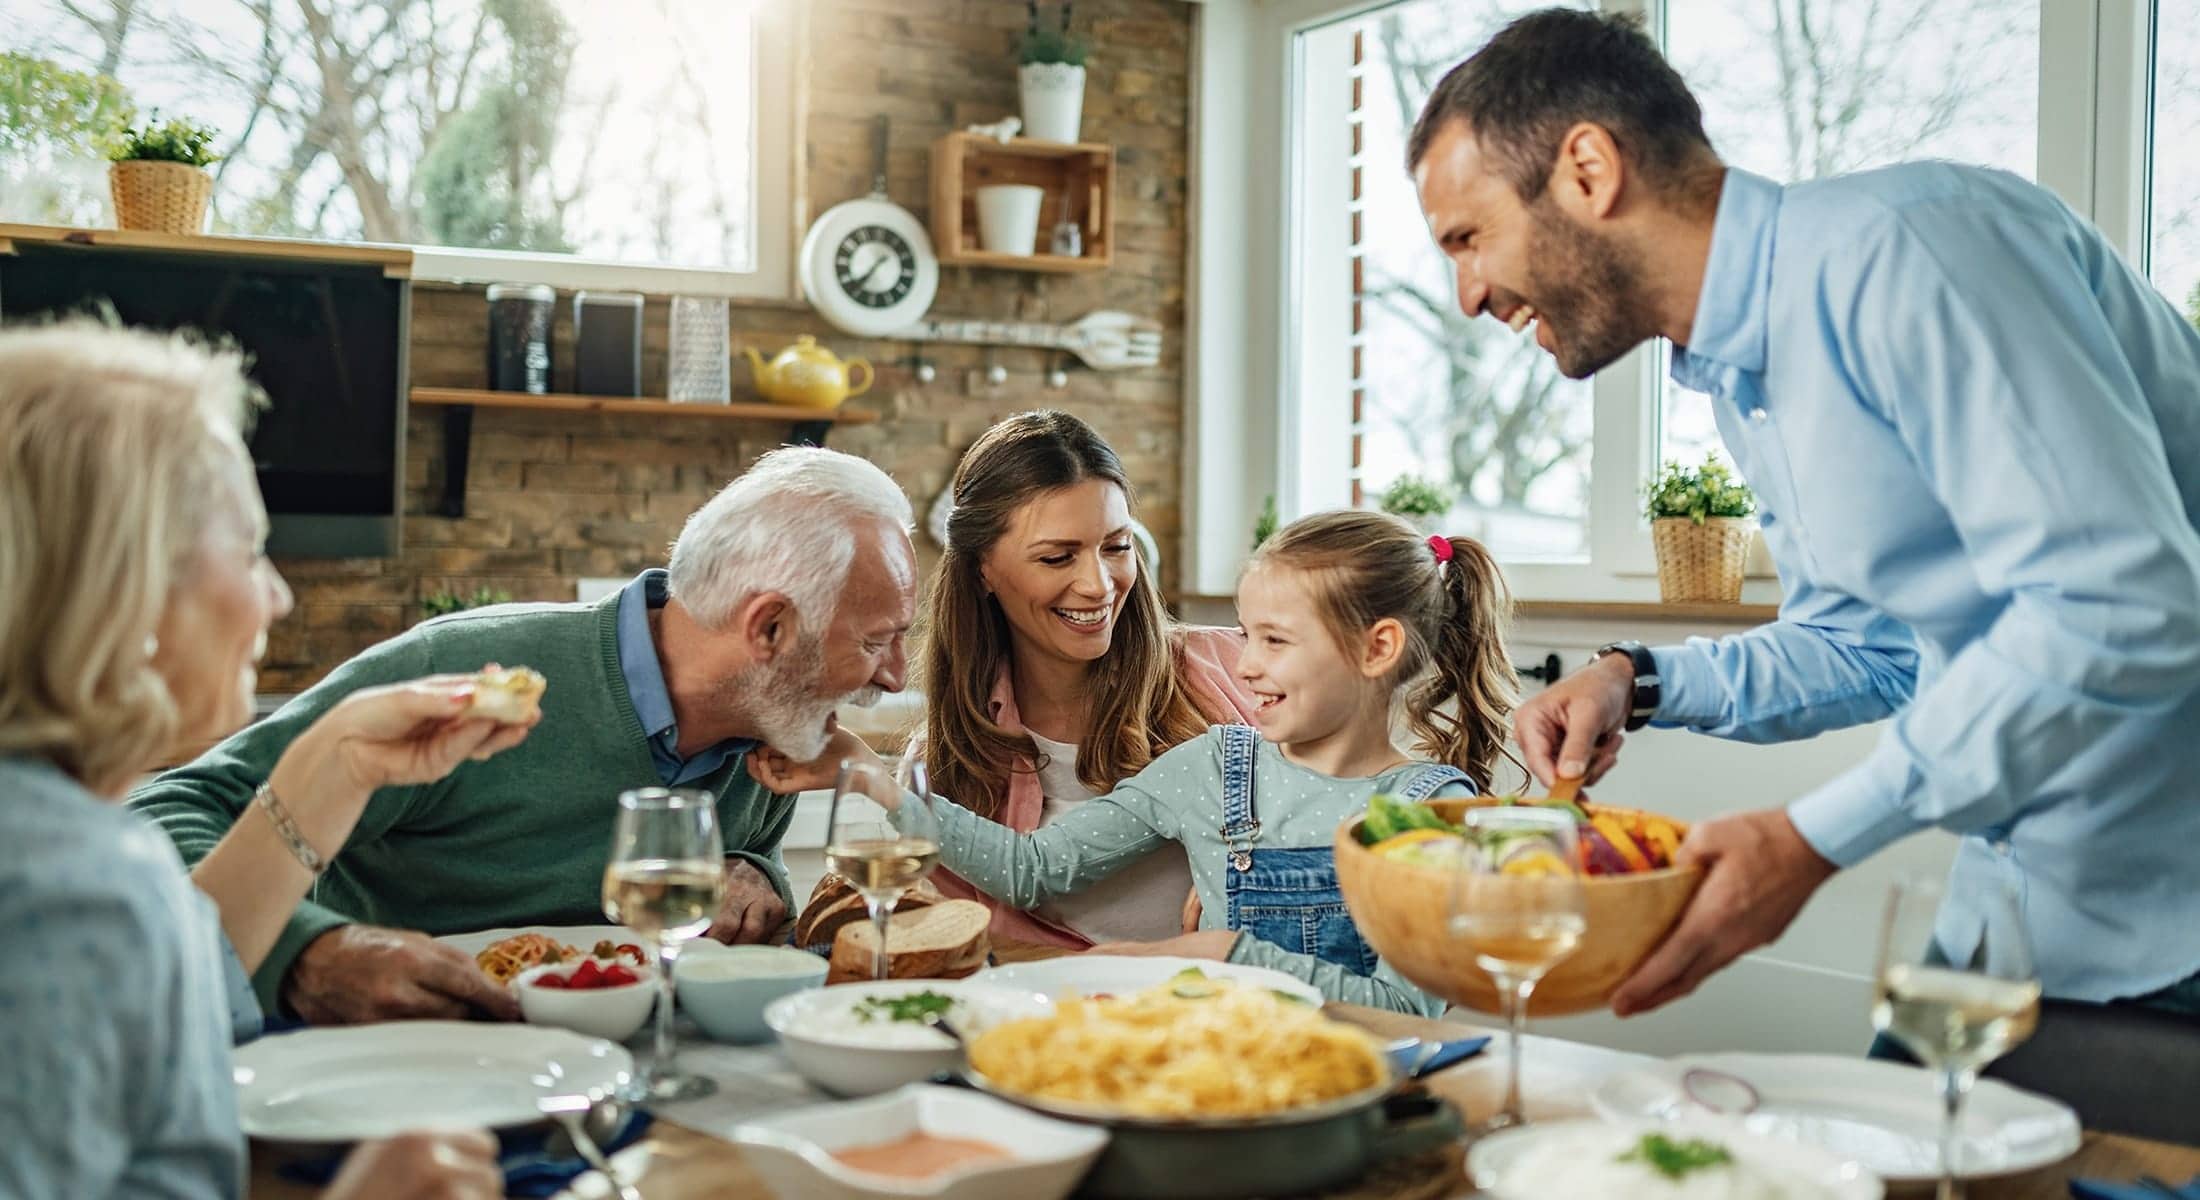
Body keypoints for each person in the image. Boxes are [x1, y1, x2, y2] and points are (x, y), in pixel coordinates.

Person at [1410, 9, 2200, 1022]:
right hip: (2026, 913)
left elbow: (2120, 601)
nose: (1468, 294)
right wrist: (1634, 678)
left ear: (1588, 170)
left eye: (1468, 238)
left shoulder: (1914, 248)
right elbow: (1872, 649)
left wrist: (1813, 838)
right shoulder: (1746, 374)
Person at [131, 444, 918, 1024]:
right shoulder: (468, 669)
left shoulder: (775, 729)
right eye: (879, 640)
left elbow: (746, 881)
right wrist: (304, 952)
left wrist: (756, 878)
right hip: (387, 1071)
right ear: (770, 628)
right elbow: (165, 814)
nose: (895, 677)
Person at [0, 321, 519, 1198]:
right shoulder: (69, 891)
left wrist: (338, 761)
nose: (276, 593)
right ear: (126, 586)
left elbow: (179, 990)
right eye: (249, 550)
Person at [759, 510, 1520, 1014]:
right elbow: (1032, 869)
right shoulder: (1215, 766)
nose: (1246, 665)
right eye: (1245, 635)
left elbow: (1412, 1013)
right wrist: (872, 780)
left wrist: (1230, 955)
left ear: (1377, 647)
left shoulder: (1425, 810)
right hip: (1202, 1067)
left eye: (1276, 641)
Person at [908, 411, 1258, 948]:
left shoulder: (1240, 670)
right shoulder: (943, 766)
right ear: (982, 569)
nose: (1098, 585)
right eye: (1056, 557)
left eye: (1116, 547)